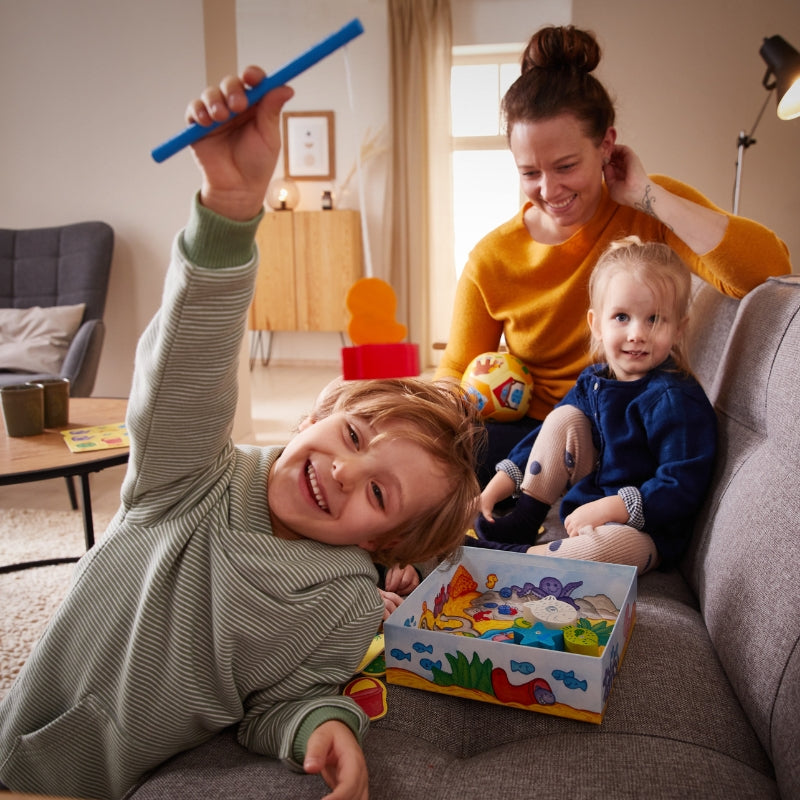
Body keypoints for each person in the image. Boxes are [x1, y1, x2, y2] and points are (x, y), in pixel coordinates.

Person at [0, 68, 484, 800]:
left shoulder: (347, 609)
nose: (347, 473)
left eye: (379, 492)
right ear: (314, 417)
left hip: (100, 778)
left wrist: (325, 726)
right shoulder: (192, 475)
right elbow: (191, 363)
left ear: (382, 543)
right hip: (23, 741)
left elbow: (281, 701)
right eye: (352, 437)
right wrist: (231, 207)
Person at [435, 24, 791, 486]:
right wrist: (426, 418)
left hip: (629, 424)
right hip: (534, 433)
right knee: (439, 463)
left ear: (606, 145)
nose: (549, 190)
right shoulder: (493, 258)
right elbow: (456, 369)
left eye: (566, 167)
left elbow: (768, 271)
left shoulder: (648, 210)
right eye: (529, 173)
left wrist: (645, 193)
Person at [469, 236, 717, 575]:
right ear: (596, 324)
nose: (637, 333)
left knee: (615, 546)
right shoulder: (595, 380)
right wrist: (503, 481)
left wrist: (616, 507)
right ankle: (525, 517)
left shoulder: (675, 398)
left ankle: (518, 557)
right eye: (621, 317)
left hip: (646, 529)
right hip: (589, 500)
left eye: (655, 319)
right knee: (564, 417)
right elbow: (547, 434)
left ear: (678, 330)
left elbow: (683, 481)